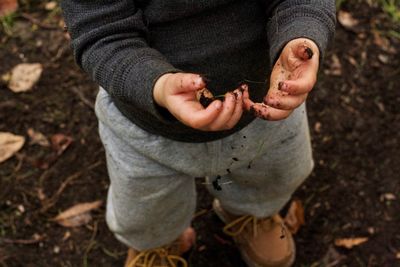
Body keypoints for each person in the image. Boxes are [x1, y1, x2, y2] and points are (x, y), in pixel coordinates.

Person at [61, 1, 336, 266]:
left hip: (263, 107)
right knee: (145, 207)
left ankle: (252, 213)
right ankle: (157, 244)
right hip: (147, 123)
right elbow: (102, 34)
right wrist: (156, 84)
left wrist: (302, 34)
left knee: (274, 175)